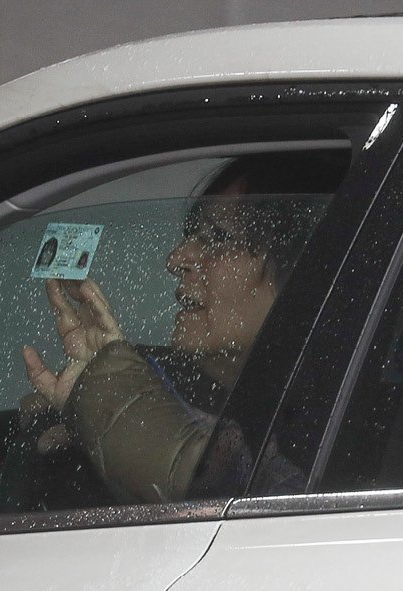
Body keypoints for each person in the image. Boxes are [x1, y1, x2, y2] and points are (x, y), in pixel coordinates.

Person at [18, 154, 344, 505]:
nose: (176, 259)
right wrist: (90, 401)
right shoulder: (139, 374)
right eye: (190, 235)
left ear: (303, 270)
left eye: (217, 237)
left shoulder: (342, 419)